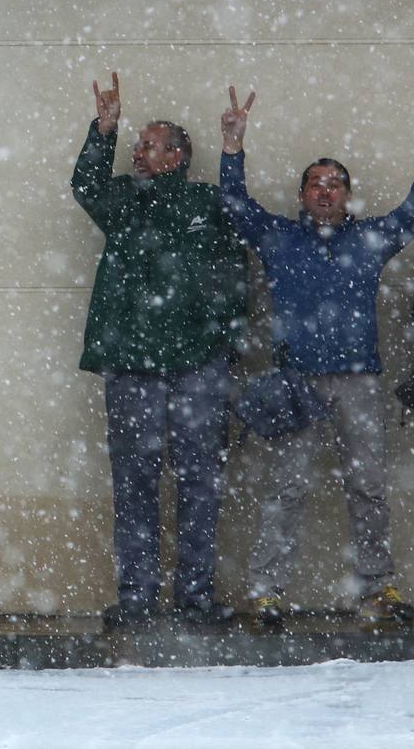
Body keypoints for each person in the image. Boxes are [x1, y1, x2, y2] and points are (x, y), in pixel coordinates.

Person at [220, 91, 414, 630]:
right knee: (287, 488)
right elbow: (234, 206)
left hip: (358, 382)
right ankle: (267, 593)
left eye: (335, 184)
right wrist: (232, 146)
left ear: (347, 196)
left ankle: (376, 589)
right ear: (302, 193)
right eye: (316, 183)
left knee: (368, 485)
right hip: (294, 383)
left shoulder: (369, 240)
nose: (325, 191)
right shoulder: (279, 238)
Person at [69, 72, 247, 630]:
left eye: (147, 145)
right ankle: (137, 599)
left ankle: (195, 598)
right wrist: (104, 129)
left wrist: (223, 338)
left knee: (200, 480)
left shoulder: (205, 202)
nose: (138, 153)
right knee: (134, 482)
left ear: (176, 155)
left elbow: (235, 269)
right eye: (137, 144)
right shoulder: (123, 201)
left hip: (198, 364)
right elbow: (86, 187)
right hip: (132, 363)